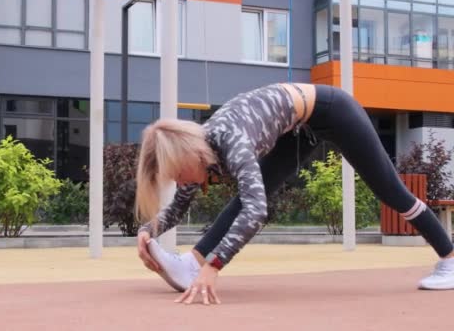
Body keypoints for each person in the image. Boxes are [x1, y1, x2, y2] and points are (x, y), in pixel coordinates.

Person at [134, 83, 454, 306]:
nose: (179, 181)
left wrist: (215, 266)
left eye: (177, 173)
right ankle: (191, 263)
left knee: (392, 192)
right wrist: (149, 232)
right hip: (298, 126)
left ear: (189, 156)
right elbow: (179, 205)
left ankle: (450, 260)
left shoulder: (232, 142)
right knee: (248, 196)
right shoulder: (199, 151)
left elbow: (257, 211)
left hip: (332, 111)